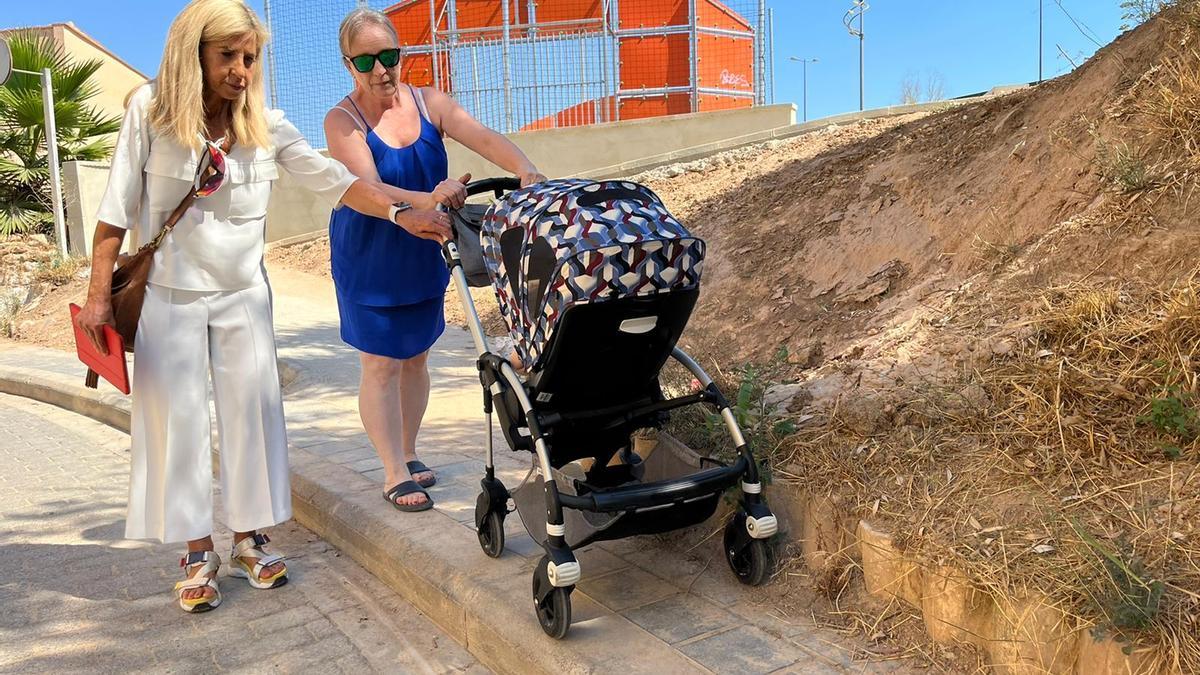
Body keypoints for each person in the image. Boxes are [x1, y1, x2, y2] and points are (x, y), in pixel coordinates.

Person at [72, 0, 450, 613]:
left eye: (249, 57)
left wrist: (402, 213)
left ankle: (249, 538)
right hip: (170, 295)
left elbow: (337, 181)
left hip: (244, 295)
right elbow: (114, 212)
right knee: (181, 426)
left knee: (252, 418)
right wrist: (96, 298)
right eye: (227, 56)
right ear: (193, 53)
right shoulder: (149, 113)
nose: (241, 70)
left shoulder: (267, 125)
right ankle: (199, 550)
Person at [324, 8, 546, 512]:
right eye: (367, 60)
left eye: (389, 55)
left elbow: (481, 135)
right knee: (380, 362)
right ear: (348, 64)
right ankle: (393, 470)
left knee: (417, 355)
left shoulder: (429, 102)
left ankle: (408, 449)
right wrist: (428, 197)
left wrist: (524, 168)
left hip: (426, 247)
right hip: (371, 251)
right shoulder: (342, 121)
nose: (381, 68)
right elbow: (368, 188)